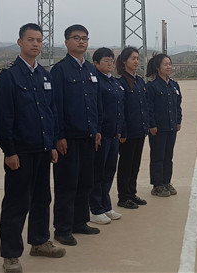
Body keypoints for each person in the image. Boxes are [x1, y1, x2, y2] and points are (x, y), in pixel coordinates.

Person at [0, 23, 66, 273]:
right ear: (20, 42)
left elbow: (51, 111)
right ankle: (11, 255)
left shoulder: (44, 76)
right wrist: (10, 151)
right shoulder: (9, 76)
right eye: (30, 40)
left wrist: (53, 143)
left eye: (39, 40)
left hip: (43, 149)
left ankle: (39, 241)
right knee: (16, 203)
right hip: (21, 152)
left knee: (42, 198)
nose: (36, 44)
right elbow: (4, 117)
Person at [51, 24, 102, 246]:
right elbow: (56, 106)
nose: (81, 42)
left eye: (84, 38)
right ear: (67, 42)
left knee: (85, 182)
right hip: (69, 139)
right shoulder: (60, 70)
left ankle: (80, 222)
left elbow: (96, 103)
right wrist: (59, 135)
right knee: (67, 184)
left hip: (88, 136)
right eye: (76, 38)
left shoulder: (90, 70)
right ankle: (63, 229)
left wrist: (97, 130)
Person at [89, 47, 124, 225]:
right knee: (98, 172)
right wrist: (97, 131)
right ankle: (95, 209)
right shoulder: (95, 82)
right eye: (105, 60)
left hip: (114, 134)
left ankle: (106, 205)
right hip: (102, 135)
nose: (110, 63)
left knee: (109, 171)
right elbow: (95, 109)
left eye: (111, 60)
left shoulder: (114, 82)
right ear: (96, 63)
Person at [115, 46, 149, 209]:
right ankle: (123, 197)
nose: (136, 61)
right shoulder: (121, 82)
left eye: (137, 58)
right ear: (124, 61)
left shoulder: (139, 81)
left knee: (135, 165)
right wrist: (123, 131)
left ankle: (132, 193)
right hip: (128, 132)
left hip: (139, 130)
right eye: (133, 58)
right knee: (126, 165)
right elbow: (121, 110)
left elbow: (144, 106)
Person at [145, 53, 182, 198]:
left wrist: (178, 121)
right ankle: (157, 185)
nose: (168, 67)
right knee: (158, 157)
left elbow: (178, 106)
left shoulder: (174, 85)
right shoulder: (152, 86)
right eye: (165, 64)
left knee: (168, 156)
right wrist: (152, 125)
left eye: (170, 64)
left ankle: (166, 182)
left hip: (171, 127)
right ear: (158, 67)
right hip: (158, 129)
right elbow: (149, 108)